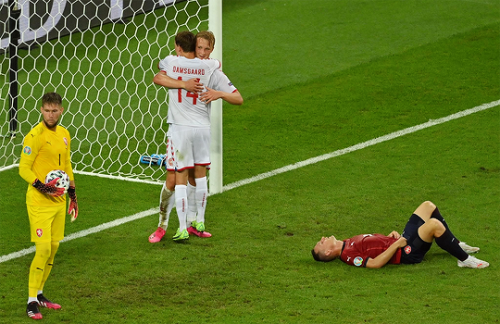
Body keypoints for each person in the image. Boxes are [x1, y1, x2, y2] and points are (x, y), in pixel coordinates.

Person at [149, 31, 242, 243]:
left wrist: (219, 93)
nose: (202, 52)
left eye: (206, 49)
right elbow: (159, 76)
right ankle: (163, 224)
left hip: (185, 129)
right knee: (175, 179)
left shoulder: (175, 62)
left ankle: (190, 224)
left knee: (189, 177)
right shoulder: (210, 66)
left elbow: (158, 73)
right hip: (189, 129)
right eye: (199, 48)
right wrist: (184, 82)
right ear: (193, 47)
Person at [19, 92, 79, 319]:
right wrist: (42, 186)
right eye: (47, 110)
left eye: (54, 111)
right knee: (42, 249)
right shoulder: (34, 136)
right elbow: (23, 168)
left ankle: (41, 293)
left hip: (59, 202)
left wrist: (72, 194)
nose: (50, 115)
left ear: (61, 110)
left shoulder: (64, 134)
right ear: (41, 110)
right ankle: (31, 301)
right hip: (39, 202)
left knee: (53, 248)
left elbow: (67, 165)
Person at [312, 201, 489, 269]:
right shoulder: (348, 256)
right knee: (434, 225)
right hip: (406, 253)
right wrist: (395, 246)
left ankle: (455, 244)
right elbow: (373, 264)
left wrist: (389, 237)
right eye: (321, 243)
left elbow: (372, 246)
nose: (322, 238)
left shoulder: (346, 243)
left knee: (428, 206)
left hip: (400, 242)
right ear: (328, 253)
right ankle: (464, 260)